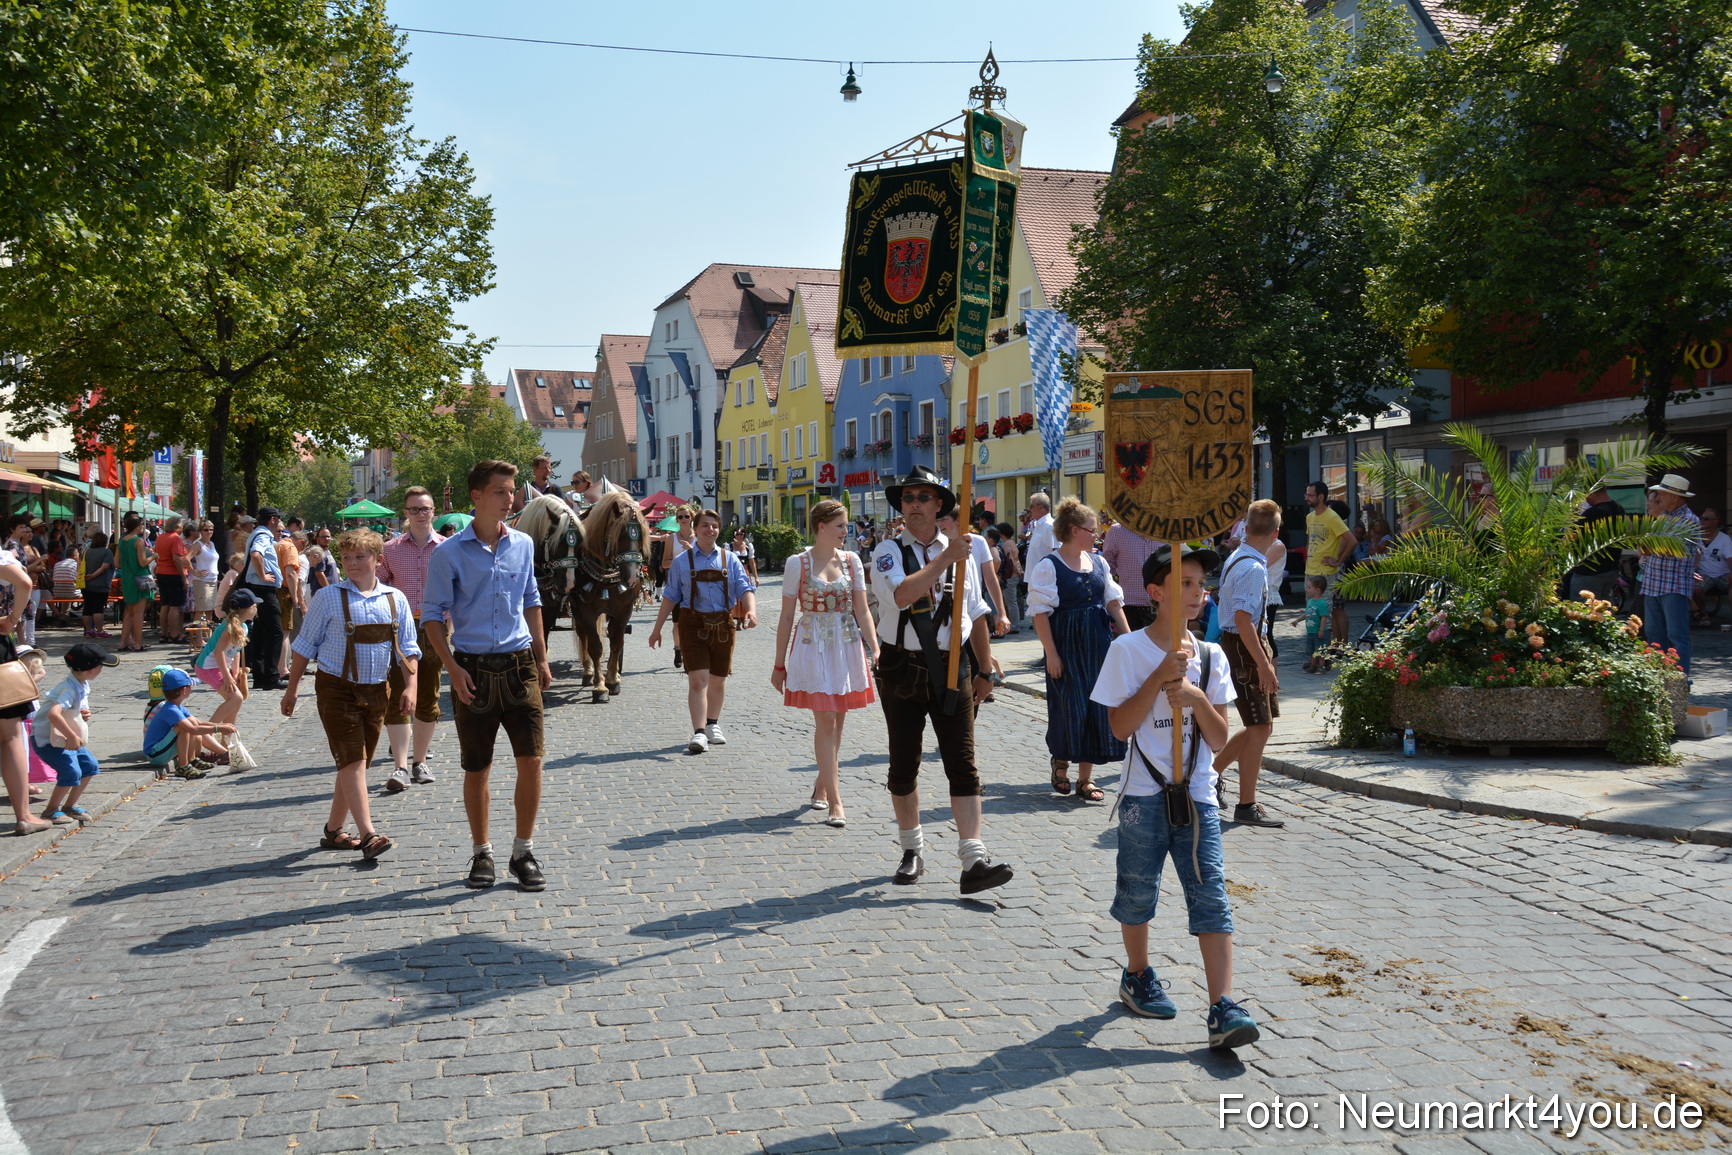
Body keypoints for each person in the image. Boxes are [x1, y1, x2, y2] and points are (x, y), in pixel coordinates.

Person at [1088, 543, 1259, 1050]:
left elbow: (1219, 737)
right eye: (1184, 583)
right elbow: (1119, 728)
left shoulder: (1210, 655)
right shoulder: (1127, 650)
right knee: (1137, 890)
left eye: (1201, 584)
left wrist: (1197, 696)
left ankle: (1222, 1005)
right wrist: (1159, 677)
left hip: (1198, 796)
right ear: (1155, 592)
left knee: (1212, 896)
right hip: (1143, 794)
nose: (1196, 592)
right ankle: (1137, 973)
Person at [869, 464, 1014, 895]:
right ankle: (911, 849)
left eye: (922, 497)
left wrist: (985, 669)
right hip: (901, 666)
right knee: (903, 763)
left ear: (938, 506)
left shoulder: (960, 550)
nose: (913, 504)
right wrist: (946, 560)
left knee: (962, 762)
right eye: (907, 498)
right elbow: (901, 595)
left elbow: (975, 614)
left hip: (954, 666)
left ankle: (973, 860)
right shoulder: (887, 551)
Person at [421, 460, 554, 893]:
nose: (510, 498)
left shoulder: (523, 544)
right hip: (472, 669)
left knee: (532, 760)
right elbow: (431, 616)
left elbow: (531, 600)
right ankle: (482, 852)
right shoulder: (448, 553)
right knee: (477, 766)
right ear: (476, 496)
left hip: (519, 666)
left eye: (512, 491)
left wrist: (542, 658)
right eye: (501, 491)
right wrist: (452, 668)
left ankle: (522, 851)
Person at [282, 528, 420, 861]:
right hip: (336, 689)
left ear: (379, 560)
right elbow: (304, 646)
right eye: (346, 557)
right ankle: (369, 834)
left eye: (360, 556)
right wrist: (292, 689)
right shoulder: (328, 597)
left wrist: (411, 686)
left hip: (377, 690)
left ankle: (333, 830)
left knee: (356, 764)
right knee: (354, 760)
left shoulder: (395, 598)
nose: (352, 563)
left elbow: (407, 648)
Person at [771, 500, 877, 828]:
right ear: (821, 527)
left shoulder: (852, 560)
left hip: (846, 643)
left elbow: (862, 609)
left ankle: (821, 783)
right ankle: (836, 800)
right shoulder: (797, 563)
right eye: (840, 525)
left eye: (846, 525)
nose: (846, 531)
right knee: (827, 720)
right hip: (812, 644)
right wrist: (779, 664)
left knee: (838, 721)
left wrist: (875, 647)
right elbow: (786, 616)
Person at [1030, 497, 1130, 802]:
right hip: (1066, 646)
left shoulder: (1099, 562)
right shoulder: (1049, 566)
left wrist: (1129, 641)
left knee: (1097, 708)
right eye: (1092, 529)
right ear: (1074, 530)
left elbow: (1113, 602)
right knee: (1068, 707)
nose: (1096, 535)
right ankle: (1060, 763)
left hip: (1098, 645)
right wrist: (1051, 654)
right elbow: (1039, 613)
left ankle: (1085, 778)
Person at [649, 508, 756, 753]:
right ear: (695, 529)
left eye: (714, 526)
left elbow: (744, 587)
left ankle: (712, 724)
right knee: (698, 680)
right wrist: (657, 629)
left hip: (723, 625)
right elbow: (670, 596)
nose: (710, 530)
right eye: (705, 525)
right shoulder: (681, 561)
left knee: (718, 680)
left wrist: (751, 610)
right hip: (692, 624)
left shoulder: (730, 559)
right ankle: (698, 732)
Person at [1212, 499, 1285, 829]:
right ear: (1275, 533)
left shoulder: (1239, 556)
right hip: (1245, 649)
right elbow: (1243, 621)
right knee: (1260, 726)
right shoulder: (1253, 568)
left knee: (1260, 725)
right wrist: (1264, 665)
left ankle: (1209, 777)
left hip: (1244, 646)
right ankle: (1246, 804)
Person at [379, 487, 447, 792]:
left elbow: (457, 588)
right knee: (397, 693)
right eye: (414, 509)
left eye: (425, 508)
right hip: (400, 629)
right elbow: (378, 586)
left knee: (429, 694)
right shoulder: (390, 549)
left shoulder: (447, 548)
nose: (421, 514)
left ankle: (420, 761)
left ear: (434, 511)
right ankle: (400, 766)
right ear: (405, 513)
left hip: (434, 627)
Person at [33, 642, 119, 826]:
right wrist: (72, 737)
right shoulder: (69, 689)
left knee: (90, 766)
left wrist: (82, 714)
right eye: (100, 666)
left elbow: (70, 711)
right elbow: (53, 714)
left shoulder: (80, 683)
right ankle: (50, 810)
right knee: (71, 771)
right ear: (90, 669)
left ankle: (70, 805)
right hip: (49, 740)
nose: (102, 669)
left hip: (65, 737)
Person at [1639, 474, 1702, 676]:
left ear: (1674, 497)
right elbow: (1644, 547)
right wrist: (1652, 546)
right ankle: (1660, 677)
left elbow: (1671, 549)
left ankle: (1681, 678)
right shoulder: (1664, 517)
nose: (1658, 498)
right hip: (1653, 584)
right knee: (1653, 635)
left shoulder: (1689, 520)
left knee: (1677, 635)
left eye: (1662, 494)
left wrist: (1652, 546)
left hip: (1674, 586)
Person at [142, 668, 233, 779]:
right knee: (183, 728)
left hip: (162, 750)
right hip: (155, 755)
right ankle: (183, 766)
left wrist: (222, 725)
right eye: (190, 686)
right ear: (184, 690)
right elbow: (192, 729)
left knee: (191, 723)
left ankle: (192, 760)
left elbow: (198, 723)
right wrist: (218, 729)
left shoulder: (176, 706)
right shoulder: (170, 709)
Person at [1304, 481, 1357, 659]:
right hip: (1310, 571)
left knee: (1323, 614)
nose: (1307, 498)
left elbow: (1351, 541)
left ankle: (1324, 656)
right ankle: (1314, 655)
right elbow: (1310, 541)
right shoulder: (1310, 517)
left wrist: (1338, 561)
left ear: (1321, 497)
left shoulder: (1332, 517)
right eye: (1306, 494)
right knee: (1311, 613)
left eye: (1310, 495)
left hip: (1326, 573)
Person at [197, 589, 259, 735]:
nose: (257, 608)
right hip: (208, 667)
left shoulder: (243, 627)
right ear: (247, 610)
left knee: (235, 702)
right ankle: (206, 733)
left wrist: (235, 674)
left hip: (219, 666)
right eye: (254, 606)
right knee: (236, 698)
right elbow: (218, 652)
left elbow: (236, 652)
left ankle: (226, 742)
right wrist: (226, 677)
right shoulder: (229, 629)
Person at [940, 511, 1010, 637]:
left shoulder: (978, 541)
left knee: (982, 650)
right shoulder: (935, 545)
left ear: (958, 520)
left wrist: (1002, 614)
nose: (939, 524)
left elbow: (990, 579)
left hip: (974, 610)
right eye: (936, 520)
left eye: (944, 519)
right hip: (946, 613)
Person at [242, 508, 286, 689]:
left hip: (257, 588)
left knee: (260, 632)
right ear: (273, 519)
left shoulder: (256, 533)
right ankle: (271, 676)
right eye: (278, 519)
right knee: (275, 632)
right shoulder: (263, 535)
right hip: (263, 589)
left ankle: (260, 676)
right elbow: (256, 554)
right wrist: (263, 575)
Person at [1102, 520, 1163, 633]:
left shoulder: (1169, 533)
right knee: (1130, 643)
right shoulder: (1117, 531)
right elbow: (1106, 568)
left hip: (1163, 605)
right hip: (1129, 607)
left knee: (1164, 644)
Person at [115, 512, 154, 653]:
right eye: (141, 524)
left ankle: (122, 643)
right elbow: (143, 562)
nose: (143, 526)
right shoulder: (138, 541)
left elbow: (116, 563)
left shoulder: (122, 541)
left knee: (129, 613)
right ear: (137, 526)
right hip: (140, 579)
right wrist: (154, 556)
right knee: (138, 613)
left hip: (127, 579)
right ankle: (138, 643)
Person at [153, 515, 189, 644]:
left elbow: (156, 554)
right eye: (181, 526)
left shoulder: (160, 537)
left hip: (161, 572)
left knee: (165, 604)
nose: (182, 529)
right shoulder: (175, 538)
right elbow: (176, 558)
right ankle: (174, 634)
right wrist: (183, 577)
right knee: (175, 606)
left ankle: (164, 634)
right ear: (177, 526)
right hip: (173, 574)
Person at [1022, 493, 1055, 624]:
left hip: (1044, 583)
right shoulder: (1038, 526)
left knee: (1044, 622)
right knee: (1038, 622)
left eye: (1031, 506)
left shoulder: (1049, 526)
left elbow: (1056, 552)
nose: (1029, 509)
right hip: (1035, 581)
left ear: (1041, 507)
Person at [275, 524, 302, 681]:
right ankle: (283, 669)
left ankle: (276, 666)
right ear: (301, 542)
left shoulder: (275, 545)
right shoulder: (290, 548)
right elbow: (291, 573)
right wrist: (294, 596)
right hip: (283, 591)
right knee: (285, 631)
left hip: (272, 589)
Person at [1693, 508, 1730, 621]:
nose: (1702, 521)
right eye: (1701, 518)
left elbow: (1730, 559)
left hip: (1723, 574)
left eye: (1707, 519)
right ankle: (1704, 614)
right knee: (1696, 589)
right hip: (1704, 575)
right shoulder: (1695, 538)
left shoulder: (1724, 539)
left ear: (1716, 522)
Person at [985, 525, 1023, 630]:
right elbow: (1016, 559)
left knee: (1010, 602)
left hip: (1011, 575)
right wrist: (1020, 571)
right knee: (1012, 602)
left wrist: (994, 573)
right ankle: (1014, 624)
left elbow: (1009, 561)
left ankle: (1014, 626)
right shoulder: (1012, 542)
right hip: (1014, 574)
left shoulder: (1006, 544)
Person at [78, 532, 114, 640]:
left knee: (88, 607)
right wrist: (93, 575)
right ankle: (100, 631)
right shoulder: (107, 552)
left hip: (86, 584)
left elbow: (79, 564)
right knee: (98, 608)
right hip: (101, 584)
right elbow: (105, 567)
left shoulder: (86, 552)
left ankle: (89, 630)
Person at [189, 521, 222, 622]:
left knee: (210, 610)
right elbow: (185, 559)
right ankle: (197, 631)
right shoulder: (198, 544)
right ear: (200, 531)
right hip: (202, 581)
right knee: (201, 610)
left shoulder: (211, 544)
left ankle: (208, 631)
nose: (209, 532)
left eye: (211, 529)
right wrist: (195, 572)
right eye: (206, 530)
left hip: (213, 580)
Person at [1301, 575, 1331, 673]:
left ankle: (1321, 666)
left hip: (1319, 631)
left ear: (1317, 590)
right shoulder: (1310, 602)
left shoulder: (1322, 603)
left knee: (1320, 650)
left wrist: (1321, 630)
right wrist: (1298, 620)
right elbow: (1307, 613)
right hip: (1311, 631)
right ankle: (1313, 665)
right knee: (1312, 650)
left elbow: (1323, 617)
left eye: (1309, 587)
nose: (1307, 589)